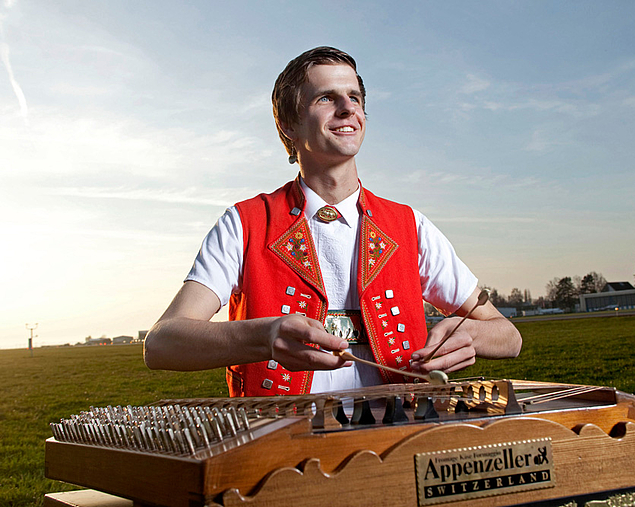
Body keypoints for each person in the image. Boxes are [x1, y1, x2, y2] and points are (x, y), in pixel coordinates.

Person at [143, 47, 521, 396]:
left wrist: (471, 334)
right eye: (326, 97)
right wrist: (266, 335)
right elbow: (162, 344)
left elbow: (509, 336)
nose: (347, 109)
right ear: (289, 125)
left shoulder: (410, 225)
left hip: (401, 438)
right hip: (279, 446)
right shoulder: (245, 223)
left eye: (354, 97)